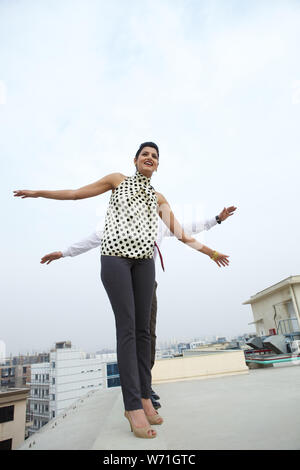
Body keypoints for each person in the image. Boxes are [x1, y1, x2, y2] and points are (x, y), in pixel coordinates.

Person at [13, 141, 231, 439]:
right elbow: (77, 194)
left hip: (144, 263)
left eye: (154, 156)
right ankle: (132, 406)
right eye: (145, 154)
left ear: (158, 164)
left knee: (144, 332)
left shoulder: (158, 197)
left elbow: (180, 232)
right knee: (127, 328)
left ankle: (143, 395)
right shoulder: (118, 180)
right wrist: (41, 193)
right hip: (115, 259)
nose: (149, 158)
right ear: (135, 160)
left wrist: (211, 252)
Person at [40, 205, 237, 410]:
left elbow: (187, 229)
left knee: (148, 335)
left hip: (147, 284)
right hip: (125, 281)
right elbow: (92, 239)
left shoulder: (160, 223)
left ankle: (145, 386)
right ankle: (134, 393)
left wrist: (217, 219)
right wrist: (64, 253)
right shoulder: (119, 221)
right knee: (128, 334)